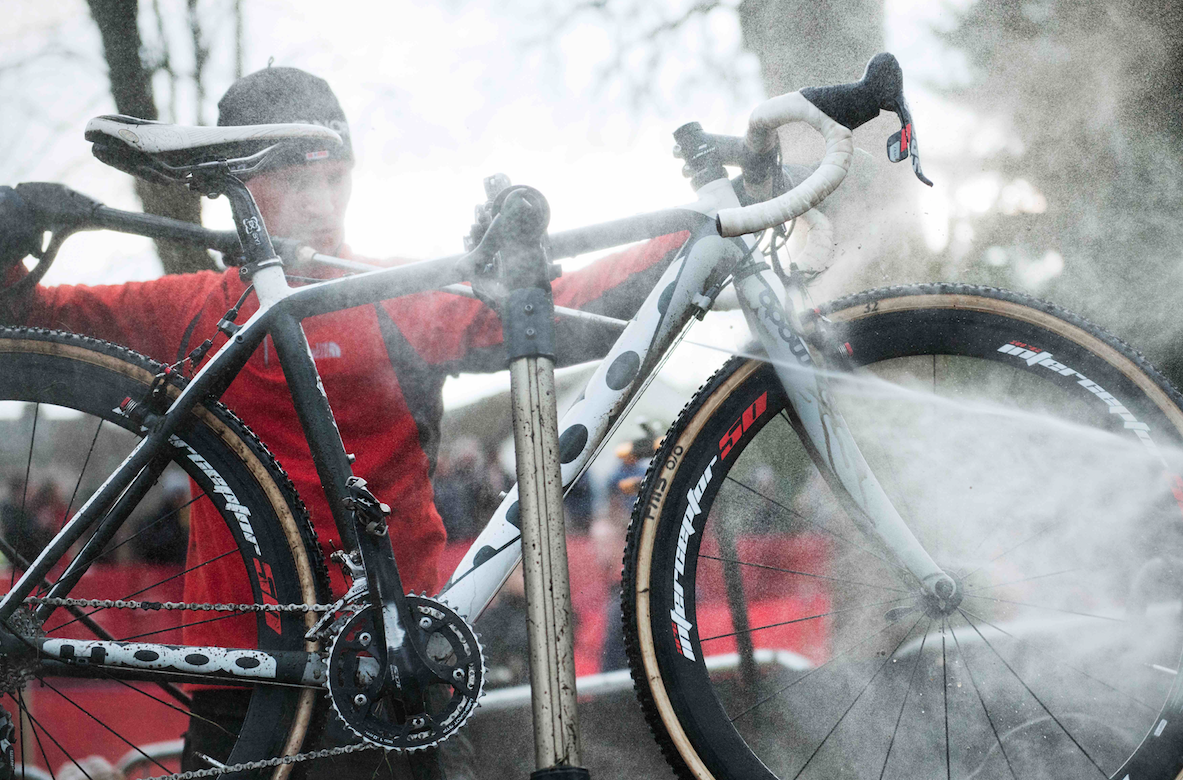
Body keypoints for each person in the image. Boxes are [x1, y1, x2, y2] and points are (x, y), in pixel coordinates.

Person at [0, 66, 687, 778]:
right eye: (296, 183)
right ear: (238, 184)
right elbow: (32, 319)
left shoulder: (398, 295)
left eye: (336, 178)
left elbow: (572, 310)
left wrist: (705, 231)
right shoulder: (190, 306)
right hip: (242, 669)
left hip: (396, 659)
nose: (322, 203)